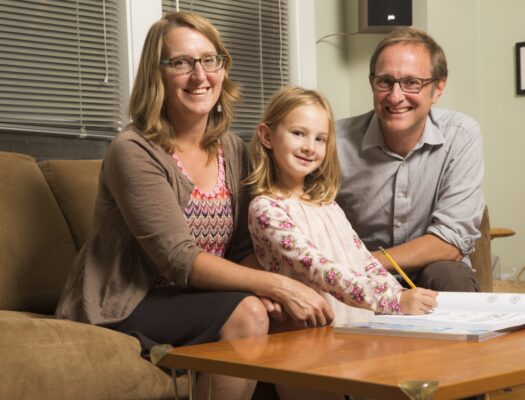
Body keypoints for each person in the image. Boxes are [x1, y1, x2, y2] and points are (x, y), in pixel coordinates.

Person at [54, 12, 333, 400]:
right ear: (157, 74)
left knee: (298, 315)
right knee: (250, 312)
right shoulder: (133, 150)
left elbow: (241, 249)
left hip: (195, 298)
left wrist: (289, 293)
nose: (200, 76)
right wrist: (277, 284)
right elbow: (178, 258)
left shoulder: (233, 149)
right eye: (181, 63)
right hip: (128, 302)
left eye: (209, 60)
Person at [246, 85, 438, 328]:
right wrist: (393, 300)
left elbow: (364, 261)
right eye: (298, 133)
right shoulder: (267, 209)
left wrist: (401, 294)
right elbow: (321, 270)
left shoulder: (327, 205)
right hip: (311, 335)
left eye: (320, 139)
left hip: (358, 327)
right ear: (266, 136)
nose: (309, 146)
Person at [335, 27, 485, 292]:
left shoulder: (460, 135)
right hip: (356, 280)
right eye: (385, 82)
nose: (396, 96)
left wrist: (365, 262)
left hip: (425, 269)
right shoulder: (334, 142)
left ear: (438, 88)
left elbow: (451, 241)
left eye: (411, 83)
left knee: (451, 276)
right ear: (372, 83)